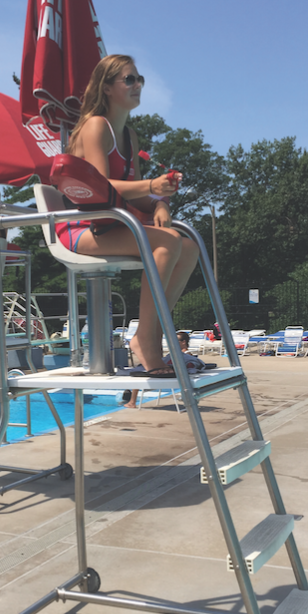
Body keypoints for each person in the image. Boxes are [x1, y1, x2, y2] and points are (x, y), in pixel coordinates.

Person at [60, 54, 199, 378]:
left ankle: (154, 333)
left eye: (140, 80)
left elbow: (133, 193)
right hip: (80, 228)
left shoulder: (130, 136)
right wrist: (152, 185)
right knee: (165, 243)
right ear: (107, 87)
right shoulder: (97, 126)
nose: (138, 86)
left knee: (188, 248)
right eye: (130, 79)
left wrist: (159, 202)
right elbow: (101, 184)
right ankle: (145, 340)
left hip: (112, 224)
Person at [123, 331, 197, 408]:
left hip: (170, 376)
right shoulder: (179, 354)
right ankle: (132, 401)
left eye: (175, 340)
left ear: (183, 342)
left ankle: (132, 402)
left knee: (138, 375)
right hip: (169, 375)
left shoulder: (186, 355)